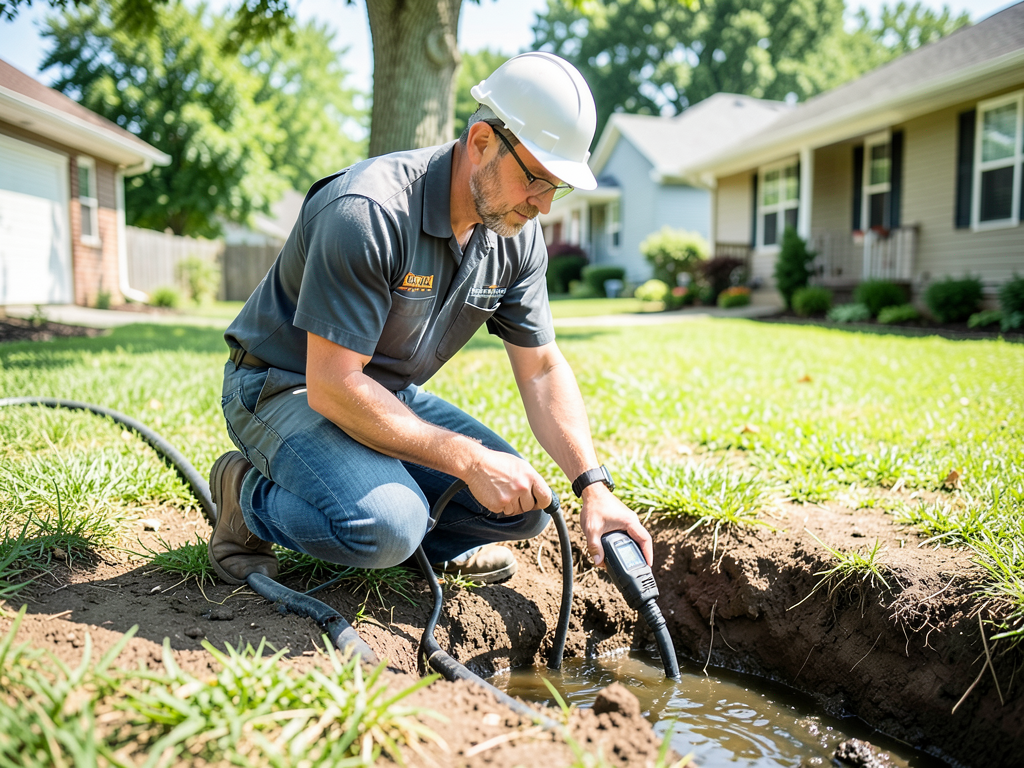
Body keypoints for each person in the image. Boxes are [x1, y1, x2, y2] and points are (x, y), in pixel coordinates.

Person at [209, 51, 653, 587]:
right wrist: (466, 460)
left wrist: (593, 486)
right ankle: (247, 500)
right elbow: (332, 387)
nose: (543, 206)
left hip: (381, 390)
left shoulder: (514, 234)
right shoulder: (369, 211)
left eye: (555, 186)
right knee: (387, 527)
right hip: (284, 387)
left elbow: (539, 368)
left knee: (522, 508)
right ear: (482, 141)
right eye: (535, 178)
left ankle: (425, 539)